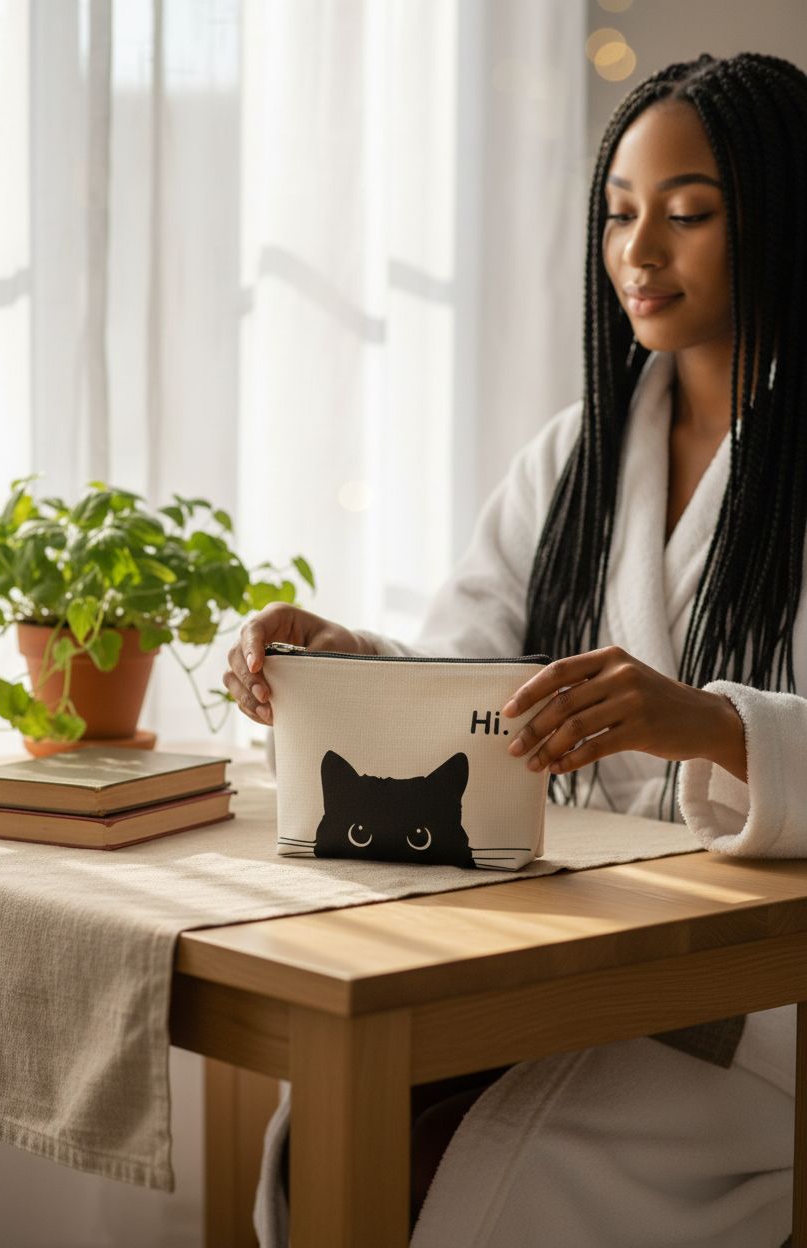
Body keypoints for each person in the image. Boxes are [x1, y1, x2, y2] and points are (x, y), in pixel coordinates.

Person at [224, 51, 806, 1248]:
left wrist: (712, 724)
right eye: (619, 214)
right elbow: (470, 672)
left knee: (465, 1171)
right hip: (564, 939)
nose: (638, 252)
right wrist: (348, 657)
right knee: (339, 1122)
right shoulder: (574, 454)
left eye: (688, 214)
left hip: (753, 984)